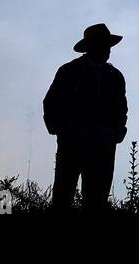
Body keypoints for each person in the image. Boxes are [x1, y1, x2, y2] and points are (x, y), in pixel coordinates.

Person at [43, 23, 128, 211]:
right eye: (102, 45)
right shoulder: (69, 71)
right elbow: (51, 101)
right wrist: (61, 129)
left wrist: (116, 132)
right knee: (63, 195)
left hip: (103, 144)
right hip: (72, 141)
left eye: (108, 46)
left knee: (97, 200)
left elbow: (121, 109)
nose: (107, 50)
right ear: (90, 47)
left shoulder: (116, 77)